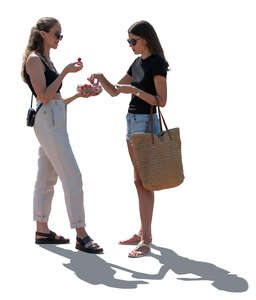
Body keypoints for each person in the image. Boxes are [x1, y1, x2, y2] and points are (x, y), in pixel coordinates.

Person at [21, 17, 103, 254]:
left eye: (61, 35)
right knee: (72, 175)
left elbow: (55, 100)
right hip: (48, 121)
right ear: (43, 34)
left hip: (55, 118)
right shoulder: (34, 60)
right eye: (57, 34)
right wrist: (66, 72)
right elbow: (44, 97)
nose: (59, 39)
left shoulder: (47, 61)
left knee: (47, 177)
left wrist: (80, 95)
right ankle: (81, 234)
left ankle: (42, 229)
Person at [88, 20, 168, 257]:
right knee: (137, 180)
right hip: (132, 122)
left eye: (133, 41)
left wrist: (135, 91)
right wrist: (101, 79)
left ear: (146, 39)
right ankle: (143, 230)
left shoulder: (157, 63)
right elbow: (114, 90)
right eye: (128, 41)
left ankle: (146, 239)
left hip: (146, 122)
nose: (130, 45)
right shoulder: (136, 63)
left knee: (144, 182)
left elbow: (161, 101)